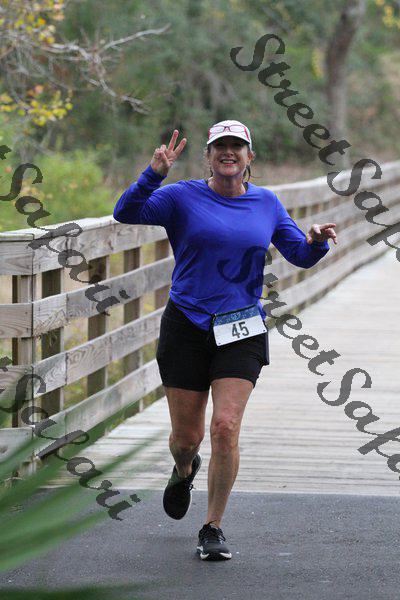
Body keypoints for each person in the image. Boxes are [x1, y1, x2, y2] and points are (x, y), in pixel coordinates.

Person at [113, 119, 337, 561]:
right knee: (187, 438)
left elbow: (299, 254)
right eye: (220, 146)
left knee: (225, 426)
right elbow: (126, 212)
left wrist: (315, 243)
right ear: (208, 156)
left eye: (237, 146)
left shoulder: (266, 203)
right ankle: (184, 469)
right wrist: (153, 174)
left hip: (241, 327)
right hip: (187, 324)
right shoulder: (181, 197)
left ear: (250, 156)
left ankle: (212, 526)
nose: (228, 152)